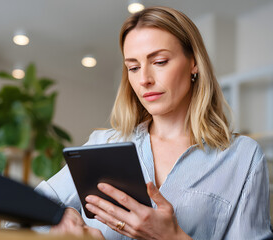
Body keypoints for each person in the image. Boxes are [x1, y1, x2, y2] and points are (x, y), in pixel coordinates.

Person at [35, 6, 272, 239]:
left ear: (194, 63)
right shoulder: (103, 144)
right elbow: (24, 211)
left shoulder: (242, 158)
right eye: (134, 68)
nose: (144, 80)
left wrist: (172, 237)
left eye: (159, 62)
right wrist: (62, 217)